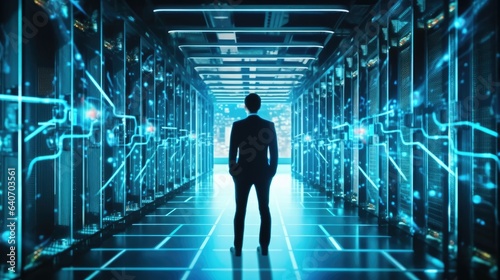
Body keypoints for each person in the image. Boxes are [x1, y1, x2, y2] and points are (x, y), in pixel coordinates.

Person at [228, 93, 278, 257]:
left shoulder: (237, 125)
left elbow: (232, 152)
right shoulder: (269, 125)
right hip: (263, 173)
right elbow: (274, 153)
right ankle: (264, 247)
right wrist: (271, 172)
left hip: (242, 173)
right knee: (264, 209)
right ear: (260, 105)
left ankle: (238, 249)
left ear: (245, 106)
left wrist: (234, 173)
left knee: (240, 210)